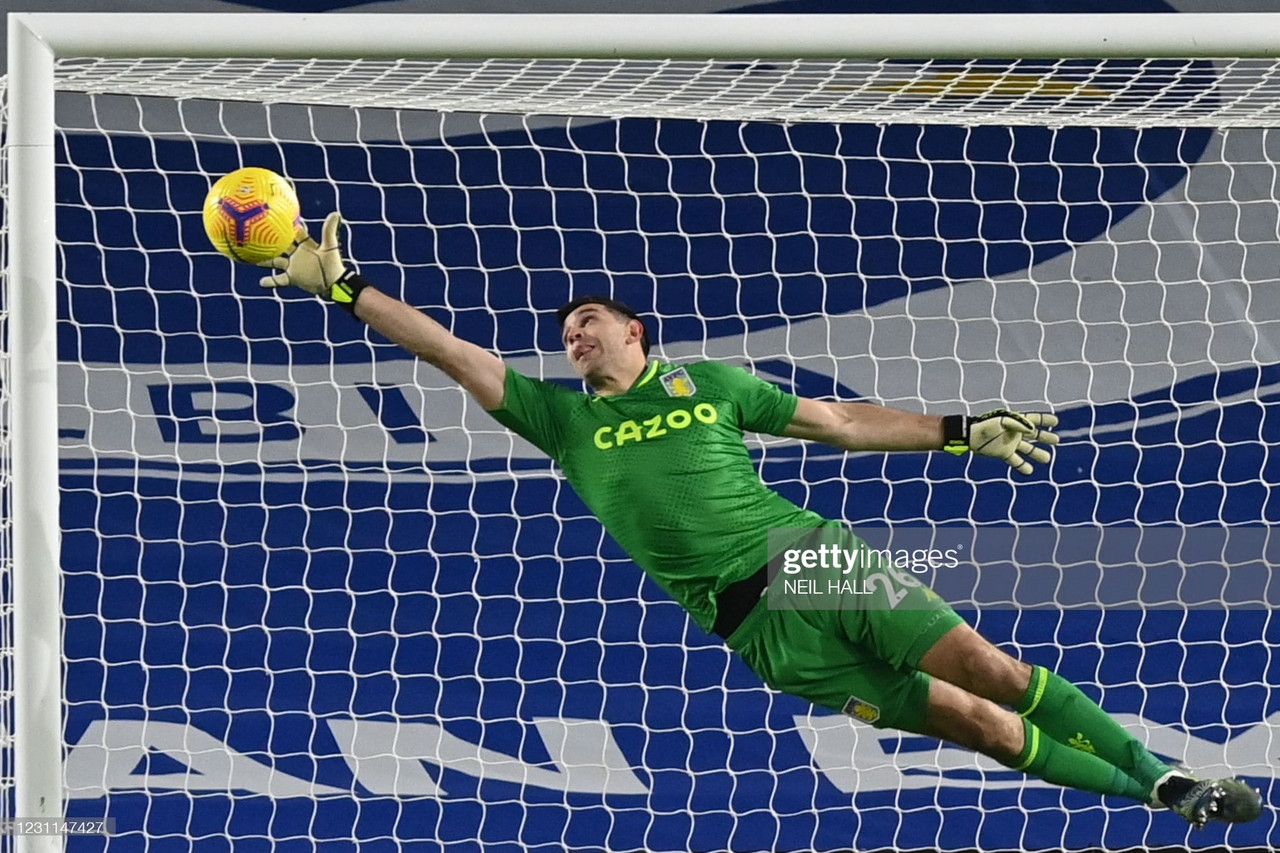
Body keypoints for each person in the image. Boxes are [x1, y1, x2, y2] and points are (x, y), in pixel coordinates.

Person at [261, 213, 1262, 828]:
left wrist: (957, 430)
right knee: (973, 725)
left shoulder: (709, 384)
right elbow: (450, 351)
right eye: (564, 332)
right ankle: (1158, 799)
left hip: (808, 560)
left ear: (632, 332)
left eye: (589, 323)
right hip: (757, 633)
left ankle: (1155, 765)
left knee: (988, 672)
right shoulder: (560, 418)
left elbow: (835, 421)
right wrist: (346, 289)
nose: (572, 336)